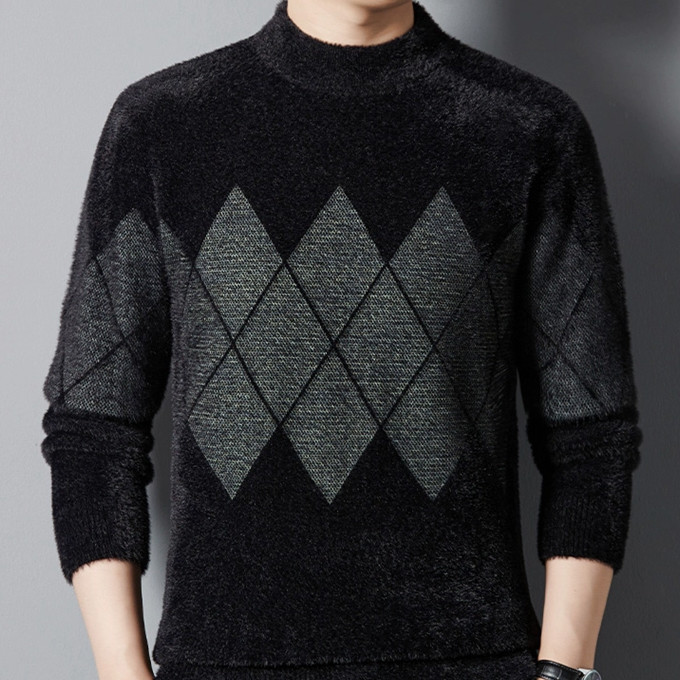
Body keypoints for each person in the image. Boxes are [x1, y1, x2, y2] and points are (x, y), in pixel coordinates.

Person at [39, 1, 643, 679]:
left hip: (474, 661)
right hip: (220, 663)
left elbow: (591, 432)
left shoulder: (529, 129)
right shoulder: (160, 126)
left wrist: (564, 672)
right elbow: (92, 428)